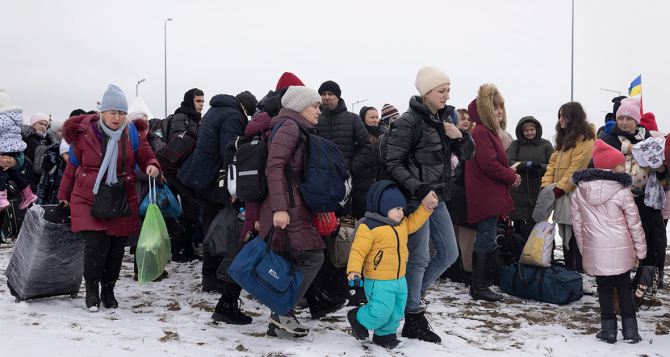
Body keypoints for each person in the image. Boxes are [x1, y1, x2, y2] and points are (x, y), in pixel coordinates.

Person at [385, 66, 475, 343]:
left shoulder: (444, 119)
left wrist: (461, 137)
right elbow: (392, 162)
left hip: (439, 198)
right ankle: (413, 314)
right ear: (426, 92)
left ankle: (408, 298)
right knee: (420, 257)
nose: (447, 95)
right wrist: (420, 189)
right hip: (416, 199)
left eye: (448, 90)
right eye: (441, 90)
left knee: (449, 253)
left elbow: (468, 155)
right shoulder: (409, 121)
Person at [58, 84, 160, 312]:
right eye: (113, 112)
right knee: (96, 245)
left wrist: (152, 165)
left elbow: (146, 155)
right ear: (102, 112)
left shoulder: (132, 132)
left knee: (116, 248)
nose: (117, 117)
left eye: (122, 113)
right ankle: (92, 291)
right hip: (89, 195)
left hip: (120, 196)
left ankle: (109, 291)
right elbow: (71, 167)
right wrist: (63, 195)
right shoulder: (84, 134)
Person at [178, 91, 258, 324]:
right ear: (245, 107)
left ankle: (210, 274)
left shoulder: (216, 109)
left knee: (211, 223)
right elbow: (230, 150)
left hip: (202, 174)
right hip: (215, 178)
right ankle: (212, 275)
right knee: (219, 226)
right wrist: (233, 187)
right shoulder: (233, 115)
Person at [259, 85, 326, 338]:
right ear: (299, 107)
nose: (319, 111)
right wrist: (280, 208)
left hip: (294, 204)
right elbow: (274, 167)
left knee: (293, 259)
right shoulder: (289, 127)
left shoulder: (295, 127)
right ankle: (281, 311)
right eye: (315, 106)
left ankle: (280, 318)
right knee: (312, 257)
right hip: (289, 206)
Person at [571, 139, 646, 344]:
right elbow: (634, 223)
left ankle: (609, 330)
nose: (624, 167)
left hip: (595, 248)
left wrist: (585, 250)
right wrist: (641, 250)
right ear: (612, 167)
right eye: (621, 164)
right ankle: (631, 331)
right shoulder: (622, 191)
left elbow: (577, 225)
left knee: (603, 289)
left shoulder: (580, 191)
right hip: (622, 249)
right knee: (624, 287)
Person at [346, 180, 438, 349]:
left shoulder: (401, 224)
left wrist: (425, 209)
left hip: (399, 278)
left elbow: (414, 222)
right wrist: (354, 270)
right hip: (378, 279)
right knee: (381, 310)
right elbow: (358, 251)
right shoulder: (369, 227)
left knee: (396, 310)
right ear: (383, 207)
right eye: (396, 209)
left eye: (402, 209)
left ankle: (384, 336)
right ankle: (358, 317)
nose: (400, 213)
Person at [599, 98, 667, 286]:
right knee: (619, 242)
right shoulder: (608, 138)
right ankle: (615, 284)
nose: (624, 122)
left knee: (651, 239)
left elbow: (662, 168)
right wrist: (630, 150)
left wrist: (661, 169)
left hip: (644, 199)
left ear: (636, 121)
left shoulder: (649, 140)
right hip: (615, 199)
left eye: (629, 118)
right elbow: (597, 159)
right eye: (621, 118)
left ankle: (646, 282)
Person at [465, 84, 520, 302]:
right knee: (486, 238)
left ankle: (480, 284)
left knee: (487, 237)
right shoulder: (481, 131)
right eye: (494, 107)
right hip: (485, 193)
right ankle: (479, 286)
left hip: (488, 192)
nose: (498, 111)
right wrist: (511, 176)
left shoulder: (486, 131)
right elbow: (489, 164)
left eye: (500, 107)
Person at [541, 102, 595, 271]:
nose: (561, 120)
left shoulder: (586, 139)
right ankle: (569, 269)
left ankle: (576, 270)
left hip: (574, 194)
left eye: (564, 116)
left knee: (574, 233)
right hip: (561, 193)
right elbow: (552, 164)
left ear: (574, 118)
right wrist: (547, 186)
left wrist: (560, 188)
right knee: (564, 231)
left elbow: (576, 168)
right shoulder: (563, 140)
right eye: (559, 116)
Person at [507, 116, 554, 238]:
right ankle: (518, 252)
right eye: (526, 130)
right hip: (518, 191)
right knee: (518, 227)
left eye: (532, 129)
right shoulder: (515, 145)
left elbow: (553, 164)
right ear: (521, 132)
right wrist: (525, 164)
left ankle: (539, 254)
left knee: (538, 226)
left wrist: (539, 167)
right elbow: (509, 161)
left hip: (539, 189)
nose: (529, 133)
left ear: (537, 129)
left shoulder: (546, 145)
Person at [444, 108, 476, 284]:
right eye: (462, 119)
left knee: (466, 236)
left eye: (468, 119)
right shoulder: (448, 141)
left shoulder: (468, 140)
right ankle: (455, 269)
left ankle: (466, 270)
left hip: (463, 193)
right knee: (453, 234)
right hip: (451, 193)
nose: (465, 122)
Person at [0, 88, 37, 211]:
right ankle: (27, 193)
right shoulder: (13, 120)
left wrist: (14, 161)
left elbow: (21, 160)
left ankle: (3, 198)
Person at [351, 106, 387, 219]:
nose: (375, 120)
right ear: (363, 118)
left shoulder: (385, 135)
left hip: (381, 184)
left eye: (377, 117)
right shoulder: (358, 135)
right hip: (362, 187)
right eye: (372, 117)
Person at [21, 113, 57, 190]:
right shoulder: (26, 136)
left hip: (41, 172)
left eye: (45, 125)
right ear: (33, 123)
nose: (43, 126)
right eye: (40, 123)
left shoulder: (48, 140)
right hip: (27, 171)